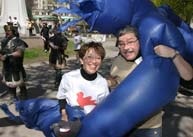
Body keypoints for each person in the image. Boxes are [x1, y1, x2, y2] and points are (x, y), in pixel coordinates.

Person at [107, 26, 193, 137]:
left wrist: (173, 54)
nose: (126, 47)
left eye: (130, 42)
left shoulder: (157, 58)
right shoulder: (117, 61)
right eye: (121, 43)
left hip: (149, 128)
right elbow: (116, 83)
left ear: (140, 41)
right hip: (121, 125)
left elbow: (188, 76)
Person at [56, 42, 109, 124]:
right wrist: (63, 113)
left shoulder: (103, 83)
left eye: (98, 58)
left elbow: (104, 108)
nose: (94, 61)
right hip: (72, 122)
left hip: (92, 124)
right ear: (81, 60)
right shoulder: (68, 78)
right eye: (89, 57)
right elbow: (61, 97)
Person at [0, 25, 28, 102]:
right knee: (9, 83)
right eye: (6, 31)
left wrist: (7, 55)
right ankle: (13, 97)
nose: (7, 32)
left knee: (20, 82)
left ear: (13, 32)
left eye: (9, 31)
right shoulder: (4, 41)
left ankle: (23, 94)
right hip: (7, 66)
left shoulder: (19, 41)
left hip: (16, 65)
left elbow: (19, 53)